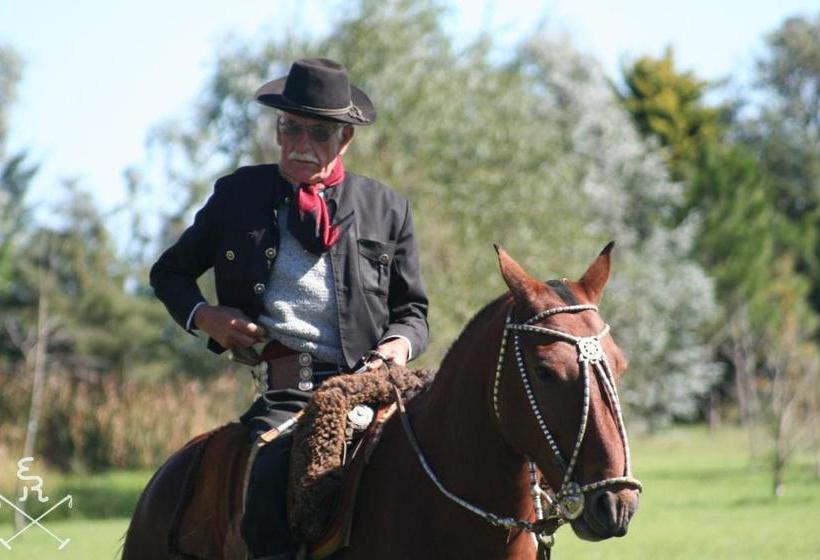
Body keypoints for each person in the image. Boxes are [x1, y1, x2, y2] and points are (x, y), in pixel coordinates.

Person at [149, 58, 429, 559]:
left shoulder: (388, 208)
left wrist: (397, 345)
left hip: (375, 383)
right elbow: (168, 272)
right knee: (272, 481)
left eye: (319, 133)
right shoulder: (237, 195)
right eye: (289, 128)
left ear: (345, 139)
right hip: (289, 391)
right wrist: (205, 316)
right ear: (278, 128)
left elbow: (412, 311)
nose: (301, 144)